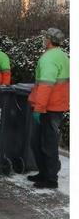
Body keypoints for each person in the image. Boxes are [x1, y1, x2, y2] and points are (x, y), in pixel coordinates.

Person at [27, 28, 69, 189]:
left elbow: (45, 86)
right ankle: (44, 173)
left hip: (48, 108)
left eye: (45, 37)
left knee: (45, 143)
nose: (43, 39)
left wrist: (39, 108)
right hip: (57, 105)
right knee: (42, 142)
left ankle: (50, 179)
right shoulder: (62, 55)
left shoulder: (49, 58)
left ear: (50, 40)